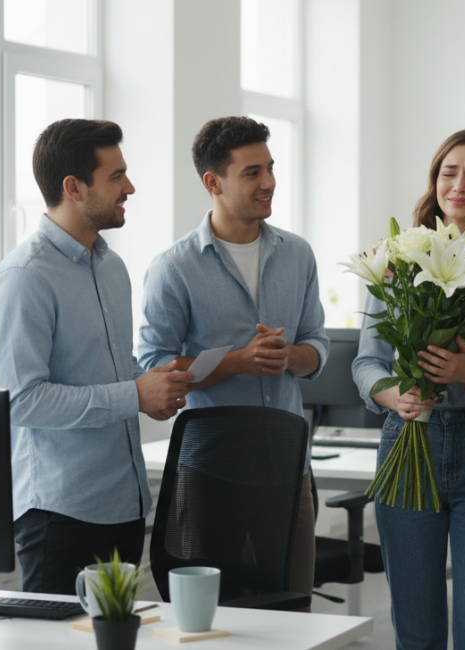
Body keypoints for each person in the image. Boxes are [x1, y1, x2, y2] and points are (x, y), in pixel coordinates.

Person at [0, 119, 193, 594]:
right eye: (116, 177)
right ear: (73, 187)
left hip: (124, 503)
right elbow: (23, 402)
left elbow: (115, 369)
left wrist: (153, 385)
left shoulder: (112, 266)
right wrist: (132, 395)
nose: (130, 188)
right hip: (61, 513)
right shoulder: (24, 278)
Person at [138, 116, 329, 605]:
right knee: (212, 618)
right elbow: (154, 368)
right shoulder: (173, 267)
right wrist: (236, 363)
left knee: (292, 611)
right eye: (251, 172)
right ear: (213, 182)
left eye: (269, 168)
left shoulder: (298, 255)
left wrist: (290, 358)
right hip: (211, 473)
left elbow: (317, 349)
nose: (268, 182)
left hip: (288, 467)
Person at [351, 129, 465, 650]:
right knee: (417, 631)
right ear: (435, 181)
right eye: (450, 172)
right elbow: (365, 362)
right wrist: (393, 396)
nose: (460, 184)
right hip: (407, 442)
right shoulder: (397, 260)